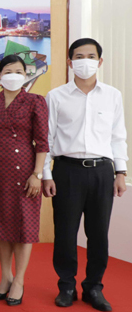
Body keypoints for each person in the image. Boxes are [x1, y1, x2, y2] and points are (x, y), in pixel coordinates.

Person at [43, 38, 127, 312]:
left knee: (98, 233)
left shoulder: (112, 95)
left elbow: (118, 136)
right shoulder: (55, 96)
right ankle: (66, 285)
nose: (85, 61)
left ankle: (93, 287)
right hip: (66, 170)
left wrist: (120, 172)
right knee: (65, 233)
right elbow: (46, 138)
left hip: (102, 171)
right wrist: (46, 174)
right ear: (70, 62)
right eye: (79, 56)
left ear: (100, 62)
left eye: (91, 56)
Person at [0, 54, 48, 307]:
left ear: (26, 75)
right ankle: (5, 276)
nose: (14, 75)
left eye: (19, 71)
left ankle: (19, 280)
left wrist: (37, 174)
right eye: (8, 70)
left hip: (25, 173)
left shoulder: (35, 101)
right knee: (1, 224)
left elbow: (42, 142)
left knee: (23, 226)